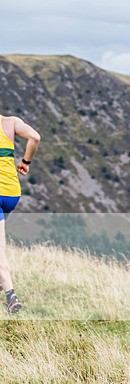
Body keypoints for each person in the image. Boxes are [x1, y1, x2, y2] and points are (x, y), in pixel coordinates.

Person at [0, 114, 40, 314]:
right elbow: (35, 137)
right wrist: (25, 162)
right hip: (12, 194)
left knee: (0, 250)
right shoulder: (10, 122)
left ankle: (11, 296)